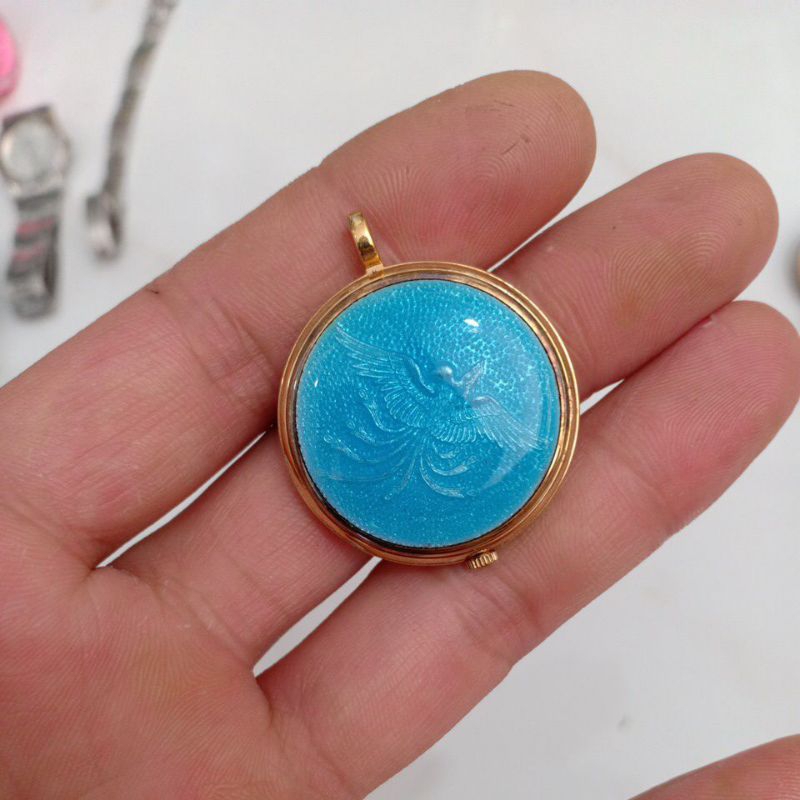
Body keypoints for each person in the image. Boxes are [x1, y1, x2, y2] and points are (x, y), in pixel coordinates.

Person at [0, 71, 797, 799]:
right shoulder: (371, 369)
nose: (456, 381)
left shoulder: (491, 388)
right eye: (446, 377)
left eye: (464, 381)